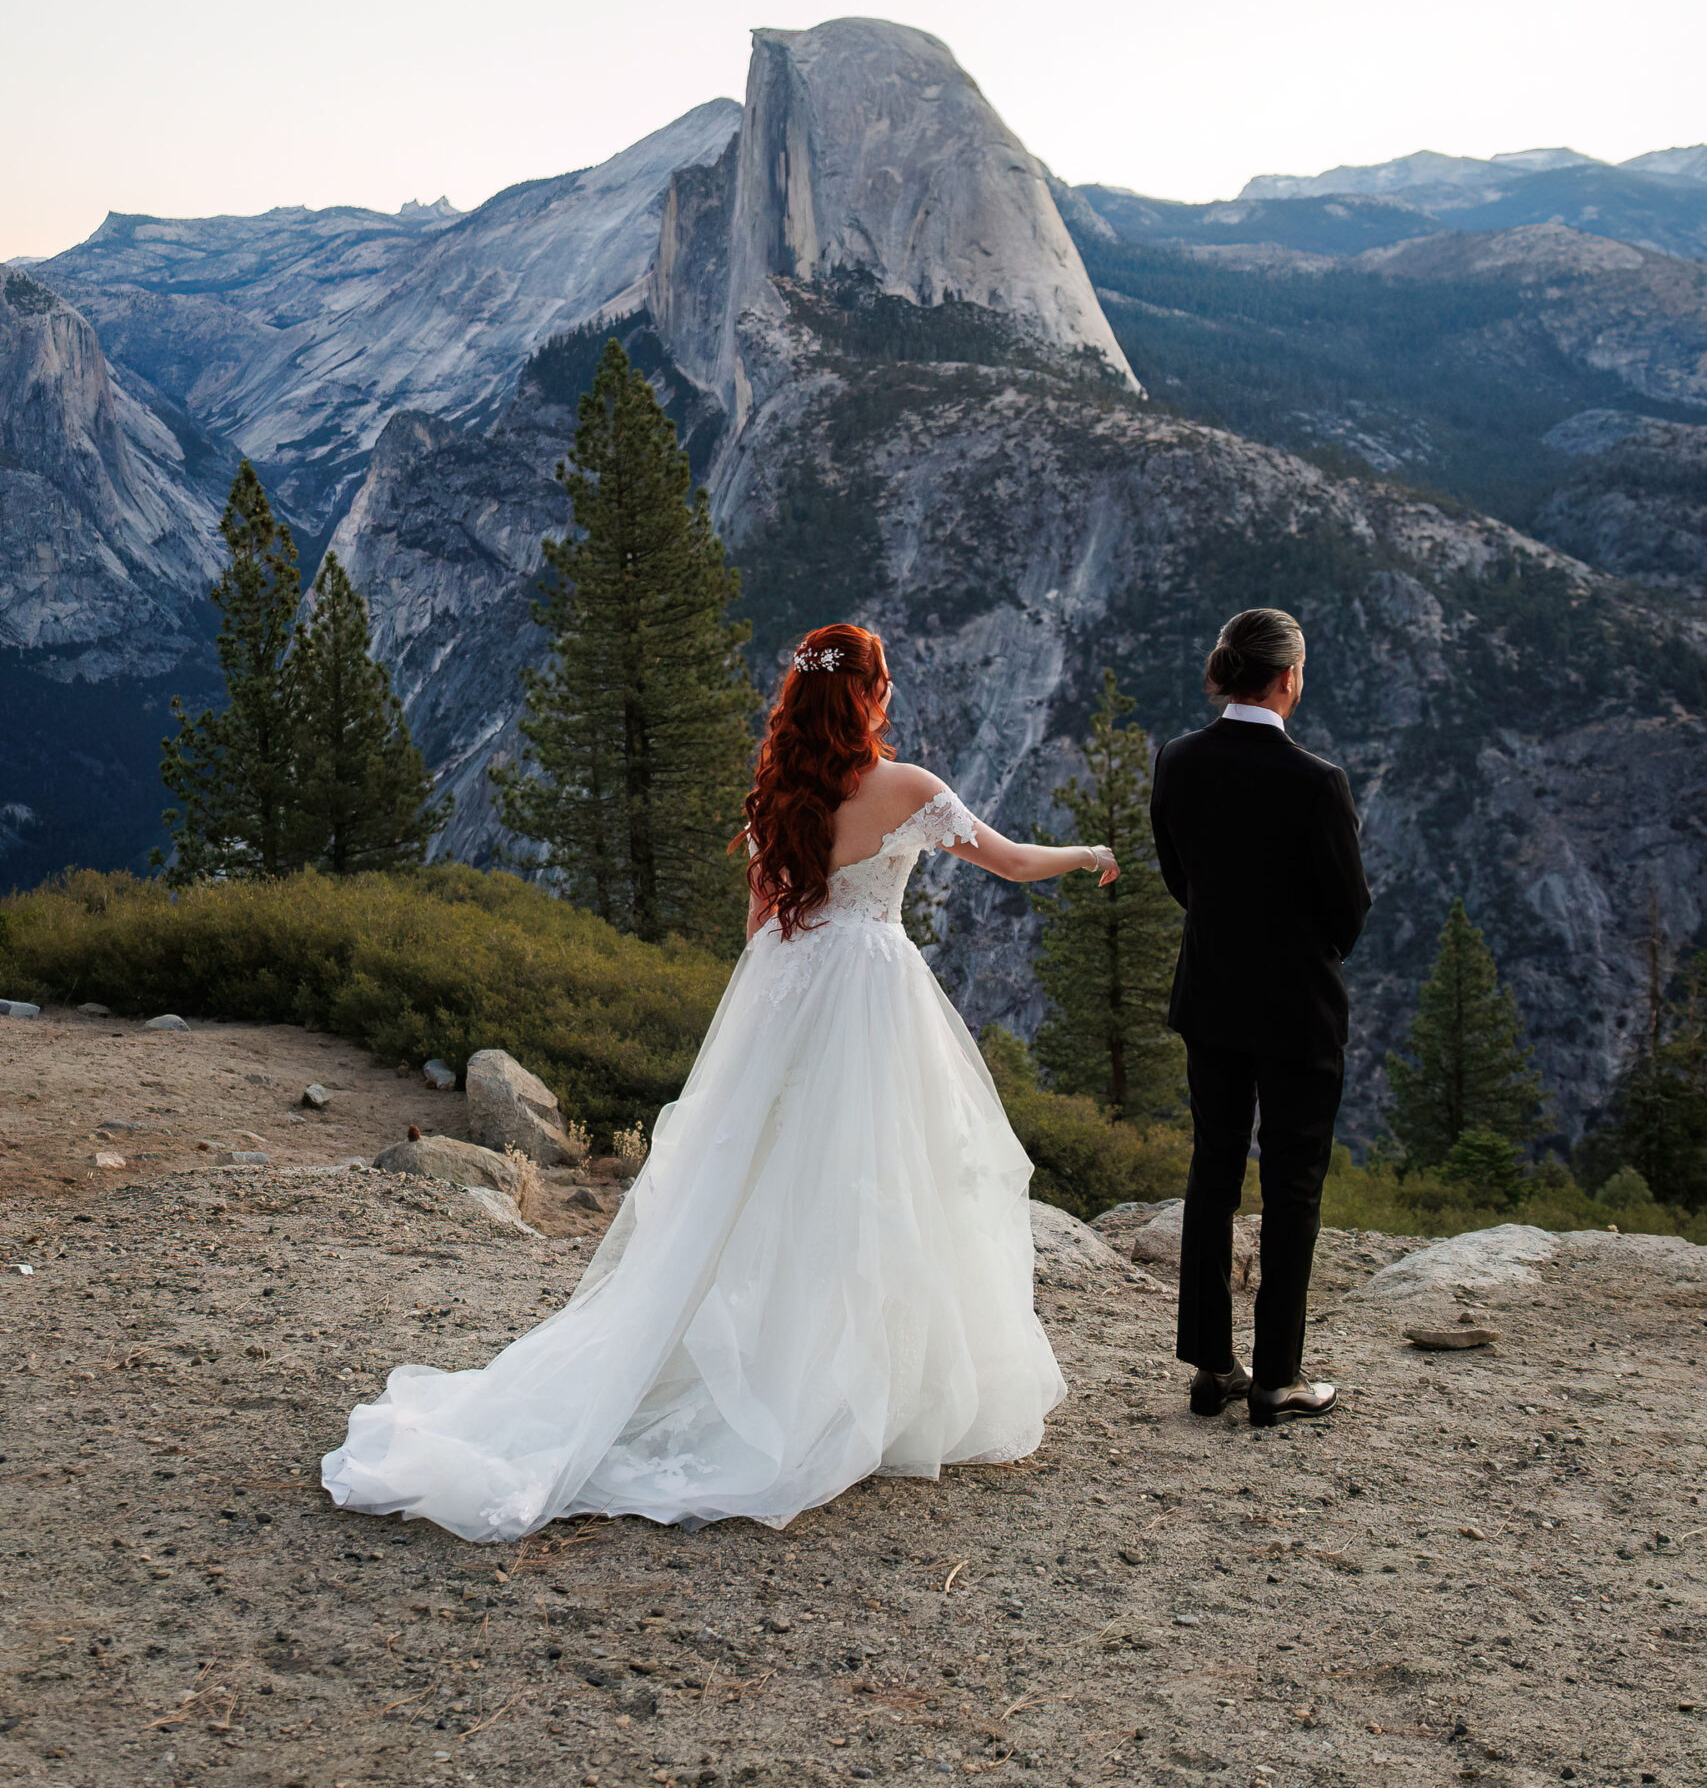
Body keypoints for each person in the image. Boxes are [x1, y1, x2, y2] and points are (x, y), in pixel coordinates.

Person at [321, 621, 1118, 1539]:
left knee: (759, 1184)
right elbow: (1013, 863)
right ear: (872, 694)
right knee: (882, 1180)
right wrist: (1089, 855)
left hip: (790, 987)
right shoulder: (908, 789)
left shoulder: (778, 788)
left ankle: (767, 1362)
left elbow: (757, 928)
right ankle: (854, 1380)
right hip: (872, 994)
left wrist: (772, 1022)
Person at [1149, 607, 1371, 1428]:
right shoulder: (1316, 782)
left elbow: (1180, 878)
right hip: (1296, 1011)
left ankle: (1212, 1365)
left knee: (1213, 1172)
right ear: (1287, 678)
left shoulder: (1178, 760)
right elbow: (1347, 910)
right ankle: (1278, 1378)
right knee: (1291, 1184)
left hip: (1209, 998)